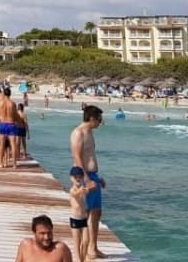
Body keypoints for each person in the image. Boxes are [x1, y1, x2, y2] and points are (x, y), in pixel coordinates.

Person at [70, 105, 106, 260]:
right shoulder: (78, 133)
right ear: (92, 118)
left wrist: (98, 178)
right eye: (99, 119)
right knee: (86, 213)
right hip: (85, 176)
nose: (100, 122)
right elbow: (77, 157)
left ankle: (93, 247)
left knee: (97, 212)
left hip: (93, 175)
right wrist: (86, 179)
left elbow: (90, 156)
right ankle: (84, 253)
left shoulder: (90, 132)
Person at [68, 166, 94, 262]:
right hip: (75, 218)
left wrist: (92, 186)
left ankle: (82, 259)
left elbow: (89, 190)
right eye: (75, 177)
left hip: (84, 218)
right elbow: (75, 194)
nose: (78, 179)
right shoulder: (72, 189)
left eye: (80, 177)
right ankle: (78, 260)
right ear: (71, 178)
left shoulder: (84, 188)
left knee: (86, 241)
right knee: (77, 242)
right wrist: (81, 190)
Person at [0, 87, 22, 168]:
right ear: (10, 94)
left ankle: (1, 163)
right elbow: (15, 115)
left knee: (2, 145)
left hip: (3, 124)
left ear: (3, 93)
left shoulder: (0, 103)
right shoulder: (13, 103)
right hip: (11, 124)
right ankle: (14, 164)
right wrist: (19, 122)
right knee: (13, 145)